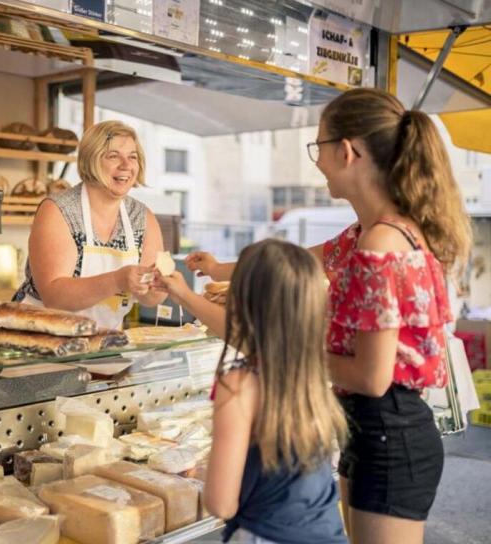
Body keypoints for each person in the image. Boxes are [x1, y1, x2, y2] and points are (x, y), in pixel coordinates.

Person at [183, 88, 472, 544]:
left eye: (318, 147)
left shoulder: (380, 244)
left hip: (389, 433)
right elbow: (295, 259)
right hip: (367, 428)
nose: (316, 161)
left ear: (347, 151)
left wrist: (284, 352)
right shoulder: (369, 234)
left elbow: (373, 377)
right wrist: (218, 269)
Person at [156, 239, 348, 544]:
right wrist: (183, 293)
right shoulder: (311, 374)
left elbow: (221, 503)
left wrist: (195, 474)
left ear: (240, 301)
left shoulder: (239, 385)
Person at [13, 120, 167, 329]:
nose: (126, 165)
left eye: (133, 157)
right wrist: (118, 281)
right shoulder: (60, 210)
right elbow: (55, 297)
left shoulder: (141, 217)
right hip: (39, 338)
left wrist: (160, 285)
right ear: (91, 160)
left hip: (102, 342)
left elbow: (151, 298)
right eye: (114, 156)